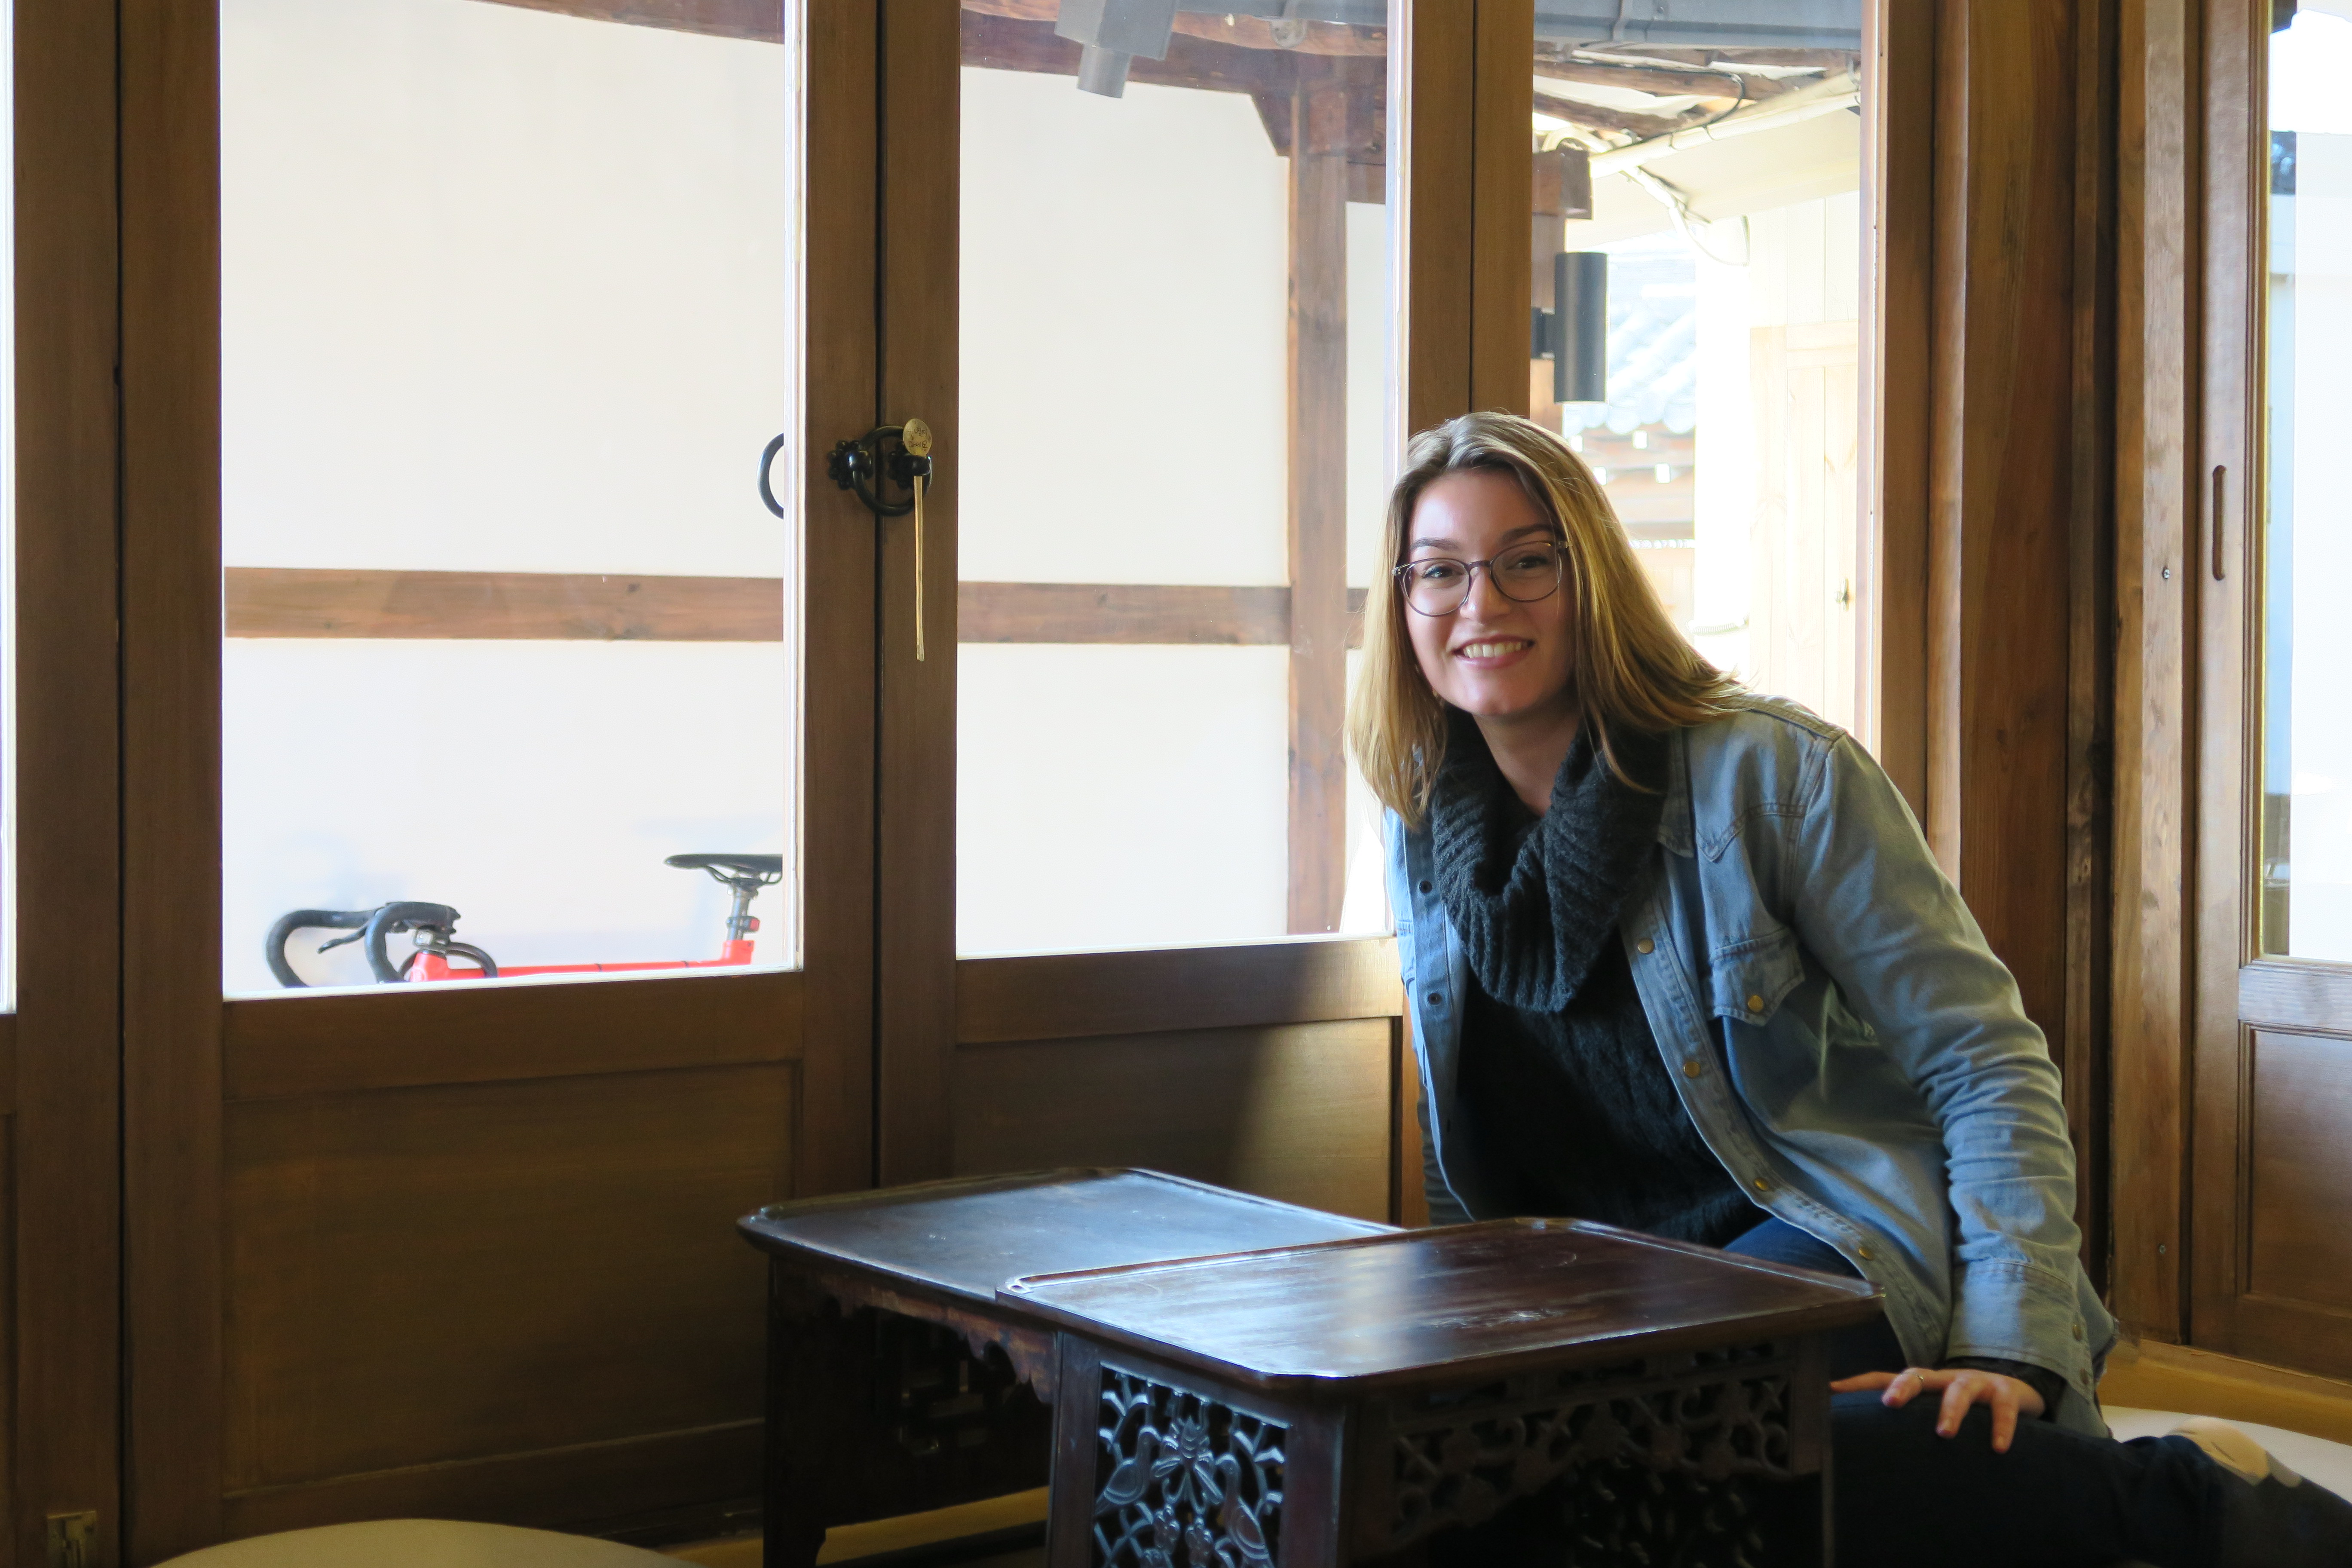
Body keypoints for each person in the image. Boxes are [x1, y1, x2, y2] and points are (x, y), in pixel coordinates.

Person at [1346, 410, 2352, 1567]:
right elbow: (1460, 1144)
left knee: (1700, 1461)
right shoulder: (1419, 822)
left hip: (1820, 1245)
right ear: (1402, 602)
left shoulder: (1774, 775)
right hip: (1603, 1297)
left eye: (1528, 561)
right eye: (1440, 571)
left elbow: (1984, 1061)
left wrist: (2008, 1347)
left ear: (1595, 581)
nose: (1481, 603)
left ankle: (2191, 1503)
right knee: (1466, 1488)